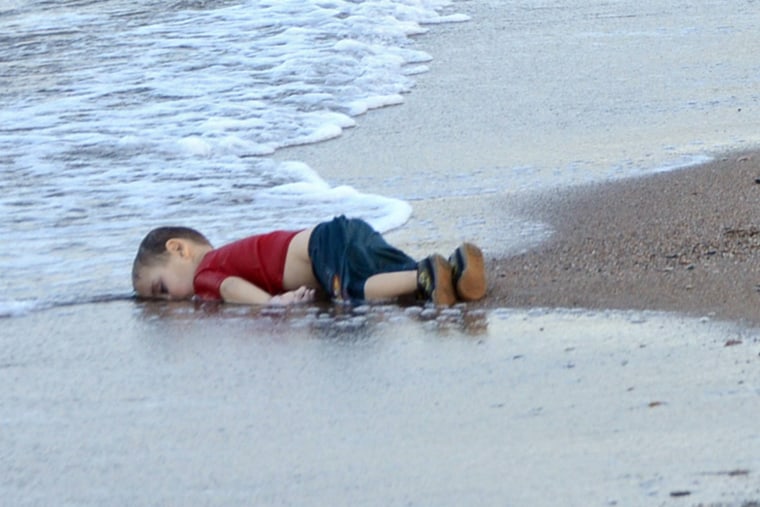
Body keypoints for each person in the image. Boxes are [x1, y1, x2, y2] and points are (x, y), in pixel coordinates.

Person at [132, 215, 486, 306]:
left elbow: (230, 288)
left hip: (322, 246)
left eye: (160, 288)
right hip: (341, 231)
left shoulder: (205, 272)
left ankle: (425, 275)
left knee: (355, 290)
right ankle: (452, 269)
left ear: (179, 250)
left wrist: (271, 303)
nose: (169, 299)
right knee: (389, 273)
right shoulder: (228, 255)